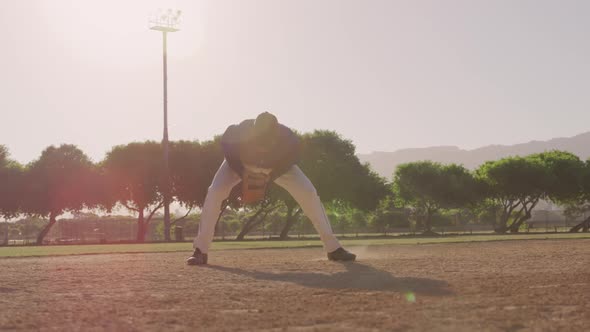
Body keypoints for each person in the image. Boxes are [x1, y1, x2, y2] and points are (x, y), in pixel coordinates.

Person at [187, 112, 356, 265]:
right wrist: (243, 173)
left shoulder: (288, 139)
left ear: (276, 135)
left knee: (309, 193)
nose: (262, 145)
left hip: (275, 167)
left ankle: (333, 248)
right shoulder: (237, 133)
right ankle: (200, 251)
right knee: (215, 192)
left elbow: (291, 159)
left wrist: (271, 176)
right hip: (241, 164)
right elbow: (228, 149)